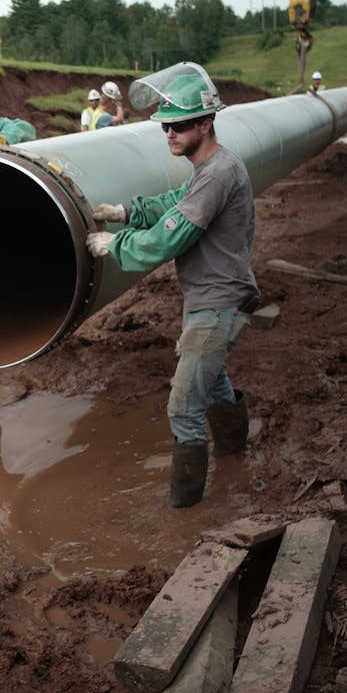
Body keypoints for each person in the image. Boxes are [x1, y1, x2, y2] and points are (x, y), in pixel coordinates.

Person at [83, 63, 258, 509]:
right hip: (208, 298)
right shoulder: (210, 169)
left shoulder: (217, 173)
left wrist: (114, 244)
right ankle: (237, 460)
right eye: (165, 126)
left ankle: (186, 512)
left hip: (217, 303)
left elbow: (171, 235)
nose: (170, 134)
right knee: (213, 383)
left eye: (179, 125)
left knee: (183, 405)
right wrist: (127, 210)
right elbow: (173, 203)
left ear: (206, 122)